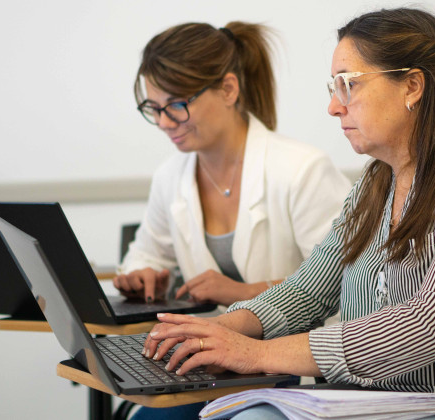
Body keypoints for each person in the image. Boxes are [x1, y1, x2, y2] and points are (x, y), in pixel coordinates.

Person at [145, 8, 435, 420]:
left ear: (412, 86)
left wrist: (256, 353)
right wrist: (221, 332)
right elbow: (306, 293)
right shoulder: (376, 183)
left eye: (348, 85)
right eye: (332, 88)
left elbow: (433, 322)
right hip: (383, 403)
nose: (334, 106)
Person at [115, 20, 351, 420]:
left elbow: (346, 288)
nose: (164, 122)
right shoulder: (171, 176)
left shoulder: (301, 169)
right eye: (153, 108)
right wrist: (142, 273)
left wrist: (240, 291)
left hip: (286, 372)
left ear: (228, 89)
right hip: (208, 368)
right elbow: (145, 253)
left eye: (176, 105)